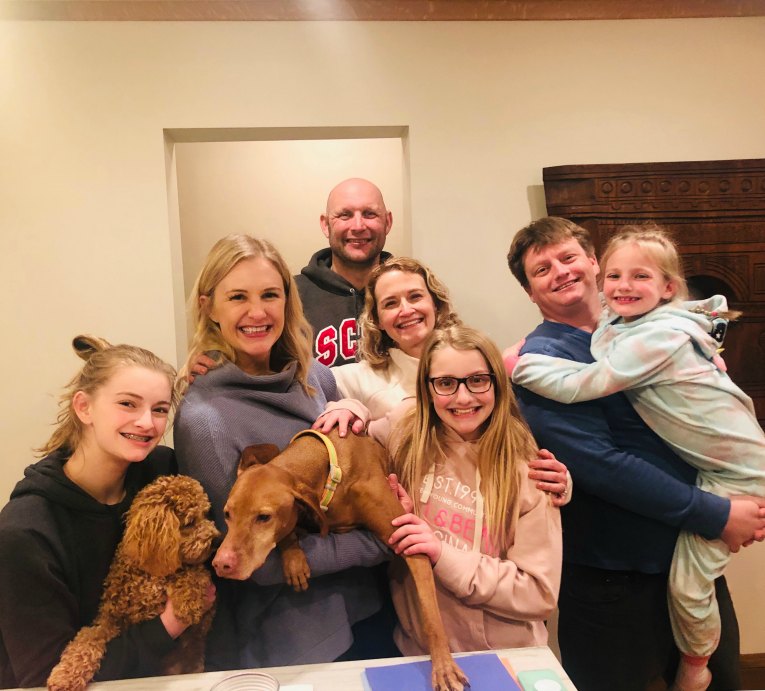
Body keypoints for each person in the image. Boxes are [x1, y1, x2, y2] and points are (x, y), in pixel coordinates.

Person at [505, 216, 765, 691]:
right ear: (529, 291)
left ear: (593, 263)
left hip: (690, 553)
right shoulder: (545, 357)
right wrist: (718, 513)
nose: (561, 271)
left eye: (568, 257)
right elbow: (602, 466)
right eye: (542, 269)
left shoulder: (645, 328)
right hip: (616, 583)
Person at [173, 234, 392, 671]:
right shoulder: (204, 419)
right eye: (238, 297)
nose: (257, 312)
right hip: (294, 640)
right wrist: (381, 542)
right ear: (208, 307)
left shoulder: (315, 377)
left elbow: (357, 465)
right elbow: (251, 560)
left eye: (270, 295)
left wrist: (357, 411)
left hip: (371, 607)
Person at [0, 335, 198, 689]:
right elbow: (44, 676)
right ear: (84, 407)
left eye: (159, 409)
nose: (147, 423)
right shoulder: (26, 532)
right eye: (127, 404)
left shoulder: (161, 473)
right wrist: (168, 626)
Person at [364, 325, 561, 655]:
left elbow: (538, 593)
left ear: (497, 382)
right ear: (427, 388)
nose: (464, 397)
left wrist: (441, 554)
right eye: (445, 383)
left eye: (478, 380)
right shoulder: (404, 430)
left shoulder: (530, 468)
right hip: (419, 653)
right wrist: (348, 409)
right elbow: (356, 445)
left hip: (504, 655)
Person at [314, 256, 570, 501]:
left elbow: (515, 439)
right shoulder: (352, 379)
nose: (406, 310)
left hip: (486, 514)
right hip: (403, 517)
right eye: (390, 303)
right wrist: (345, 406)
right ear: (377, 320)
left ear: (435, 304)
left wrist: (556, 481)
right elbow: (313, 407)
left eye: (415, 296)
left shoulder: (480, 368)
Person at [295, 178, 393, 367]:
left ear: (387, 222)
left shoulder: (411, 295)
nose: (358, 226)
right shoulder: (290, 296)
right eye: (345, 215)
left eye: (370, 214)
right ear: (326, 225)